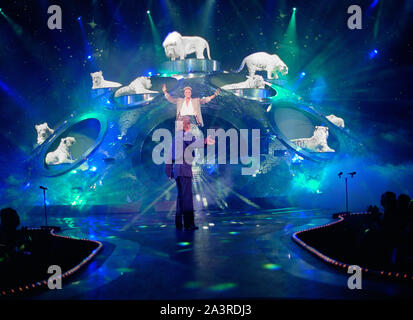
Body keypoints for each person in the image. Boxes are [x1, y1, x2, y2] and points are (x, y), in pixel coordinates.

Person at [165, 116, 215, 230]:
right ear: (187, 126)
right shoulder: (186, 134)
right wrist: (205, 141)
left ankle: (179, 223)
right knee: (187, 197)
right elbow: (194, 143)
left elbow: (169, 156)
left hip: (177, 171)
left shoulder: (175, 137)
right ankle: (188, 224)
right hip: (184, 171)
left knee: (181, 197)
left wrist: (169, 172)